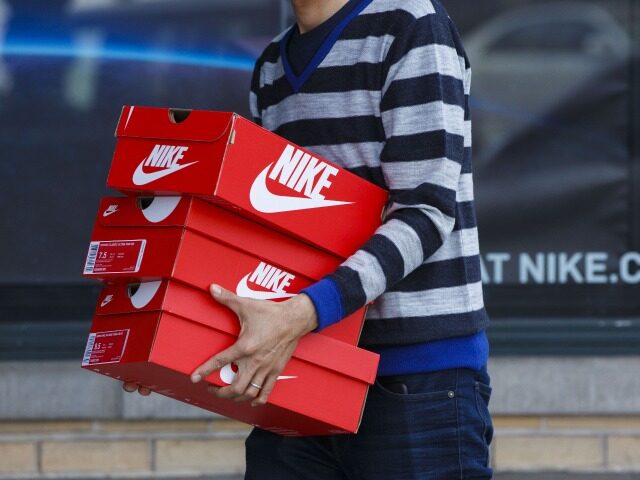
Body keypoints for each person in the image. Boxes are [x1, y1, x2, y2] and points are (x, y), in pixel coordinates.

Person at [125, 0, 493, 478]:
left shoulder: (409, 24)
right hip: (300, 373)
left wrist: (304, 312)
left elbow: (426, 212)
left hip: (416, 380)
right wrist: (173, 341)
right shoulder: (273, 64)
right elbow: (265, 234)